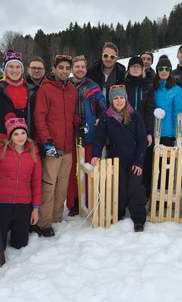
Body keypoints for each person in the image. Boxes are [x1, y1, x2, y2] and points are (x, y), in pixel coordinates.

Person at [91, 84, 147, 232]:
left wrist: (139, 162)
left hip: (134, 159)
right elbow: (99, 138)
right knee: (119, 187)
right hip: (116, 159)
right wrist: (96, 154)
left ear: (126, 99)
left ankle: (139, 219)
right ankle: (119, 213)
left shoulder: (134, 115)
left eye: (122, 97)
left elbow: (142, 140)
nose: (119, 101)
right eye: (115, 98)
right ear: (111, 100)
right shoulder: (106, 116)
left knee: (135, 187)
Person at [34, 55, 77, 236]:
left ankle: (57, 217)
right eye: (61, 68)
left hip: (68, 146)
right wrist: (47, 141)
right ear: (54, 69)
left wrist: (79, 122)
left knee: (63, 184)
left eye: (68, 68)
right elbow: (39, 117)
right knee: (49, 184)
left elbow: (71, 115)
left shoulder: (72, 90)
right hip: (53, 146)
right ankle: (44, 223)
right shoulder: (45, 89)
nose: (65, 71)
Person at [0, 118, 42, 249]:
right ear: (10, 136)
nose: (20, 137)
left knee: (20, 245)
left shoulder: (33, 153)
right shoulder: (0, 152)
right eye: (16, 134)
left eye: (23, 133)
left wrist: (35, 209)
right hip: (2, 203)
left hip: (23, 205)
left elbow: (36, 183)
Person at [67, 55, 106, 216]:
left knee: (89, 169)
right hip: (70, 135)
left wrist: (98, 121)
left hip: (89, 135)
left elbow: (103, 110)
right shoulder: (66, 85)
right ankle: (73, 203)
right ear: (72, 68)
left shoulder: (93, 87)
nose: (80, 69)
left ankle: (90, 201)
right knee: (71, 171)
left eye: (83, 66)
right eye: (77, 66)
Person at [125, 56, 155, 197]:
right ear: (128, 69)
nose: (136, 69)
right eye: (133, 66)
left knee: (144, 163)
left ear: (142, 69)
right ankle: (126, 195)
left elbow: (150, 111)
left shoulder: (147, 86)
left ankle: (144, 195)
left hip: (142, 132)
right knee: (128, 162)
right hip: (126, 131)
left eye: (138, 66)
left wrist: (149, 132)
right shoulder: (123, 86)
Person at [154, 57, 182, 146]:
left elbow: (178, 113)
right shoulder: (153, 88)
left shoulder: (177, 90)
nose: (164, 71)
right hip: (153, 133)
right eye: (161, 69)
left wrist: (176, 136)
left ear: (170, 71)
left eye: (167, 69)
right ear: (157, 71)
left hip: (169, 135)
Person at [26, 57, 46, 138]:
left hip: (45, 134)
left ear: (44, 71)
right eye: (33, 68)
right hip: (27, 133)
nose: (37, 71)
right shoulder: (22, 87)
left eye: (40, 68)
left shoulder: (49, 88)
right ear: (28, 70)